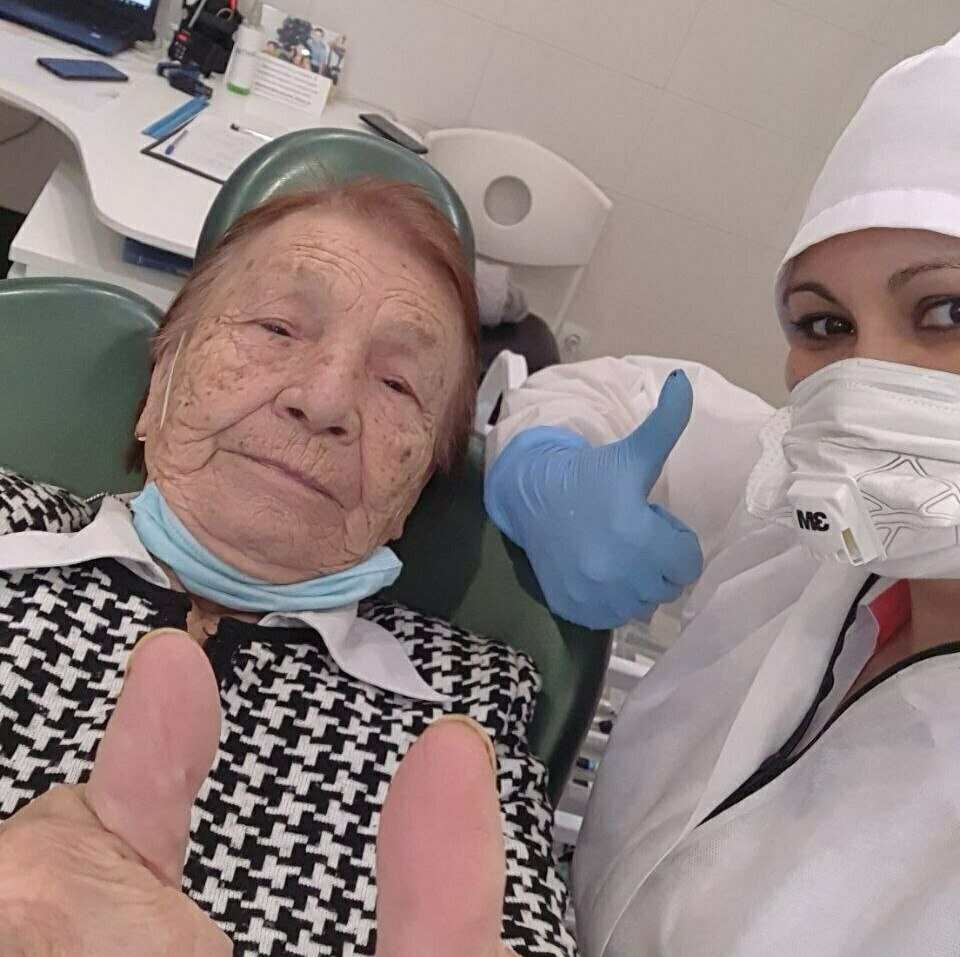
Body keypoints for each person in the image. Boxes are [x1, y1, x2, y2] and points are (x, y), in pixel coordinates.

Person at [0, 179, 575, 957]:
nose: (325, 399)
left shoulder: (467, 700)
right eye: (277, 327)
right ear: (160, 379)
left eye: (398, 384)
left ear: (416, 489)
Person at [485, 32, 960, 956]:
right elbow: (615, 393)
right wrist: (543, 463)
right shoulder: (811, 534)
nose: (863, 377)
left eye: (947, 310)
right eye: (825, 323)